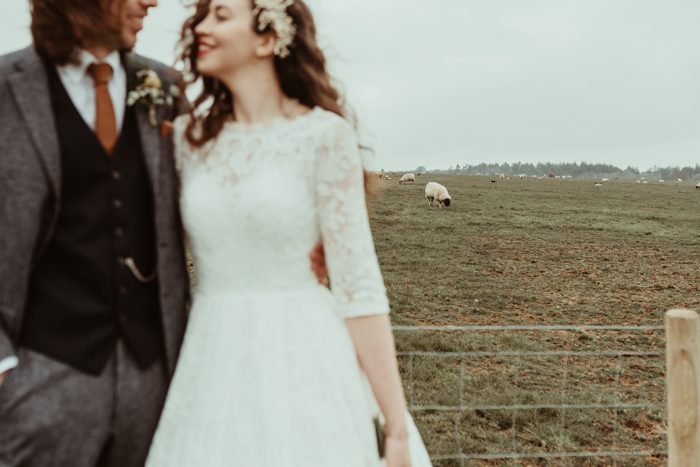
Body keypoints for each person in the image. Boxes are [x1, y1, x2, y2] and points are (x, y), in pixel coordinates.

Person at [0, 0, 324, 465]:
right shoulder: (7, 90)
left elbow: (218, 186)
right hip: (38, 390)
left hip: (156, 391)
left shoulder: (165, 87)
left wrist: (303, 235)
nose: (151, 1)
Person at [145, 0, 432, 466]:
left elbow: (359, 288)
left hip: (305, 351)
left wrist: (395, 428)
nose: (201, 27)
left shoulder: (324, 137)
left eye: (220, 15)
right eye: (201, 16)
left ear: (267, 39)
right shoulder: (186, 141)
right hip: (212, 355)